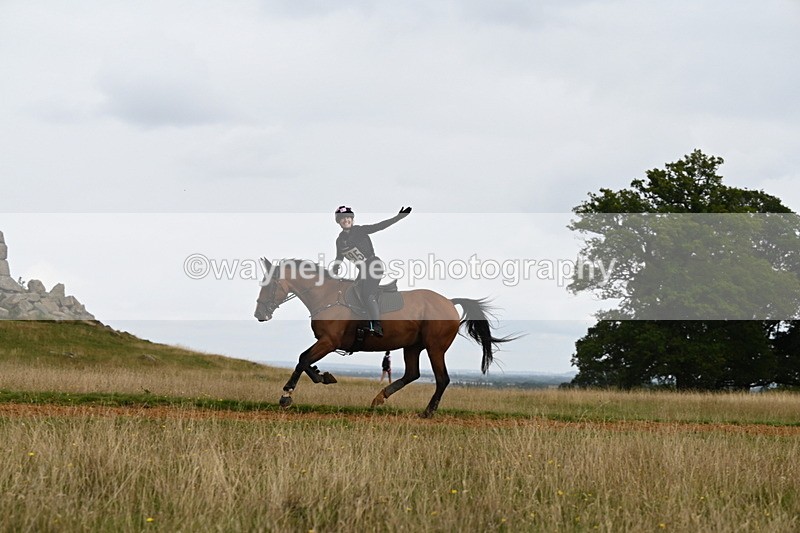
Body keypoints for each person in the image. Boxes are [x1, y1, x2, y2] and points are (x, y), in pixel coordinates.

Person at [332, 205, 412, 337]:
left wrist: (399, 217)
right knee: (352, 293)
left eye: (348, 218)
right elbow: (339, 258)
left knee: (367, 294)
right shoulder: (339, 240)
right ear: (339, 222)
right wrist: (334, 269)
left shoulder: (360, 231)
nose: (346, 220)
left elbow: (380, 226)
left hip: (373, 265)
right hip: (362, 271)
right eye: (343, 219)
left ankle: (377, 325)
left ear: (352, 220)